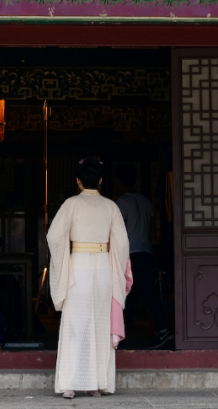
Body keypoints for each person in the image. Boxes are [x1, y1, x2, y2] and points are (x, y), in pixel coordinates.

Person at [47, 159, 129, 398]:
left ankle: (70, 384)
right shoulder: (111, 207)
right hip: (103, 267)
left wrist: (64, 259)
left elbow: (54, 236)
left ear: (78, 181)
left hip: (78, 266)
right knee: (100, 324)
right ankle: (97, 384)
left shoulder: (71, 204)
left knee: (76, 325)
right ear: (101, 180)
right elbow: (122, 244)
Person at [114, 164, 173, 350]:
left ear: (118, 181)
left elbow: (118, 230)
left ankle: (118, 332)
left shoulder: (121, 203)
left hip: (129, 254)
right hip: (146, 251)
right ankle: (158, 328)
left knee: (124, 293)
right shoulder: (145, 201)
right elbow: (153, 228)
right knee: (146, 292)